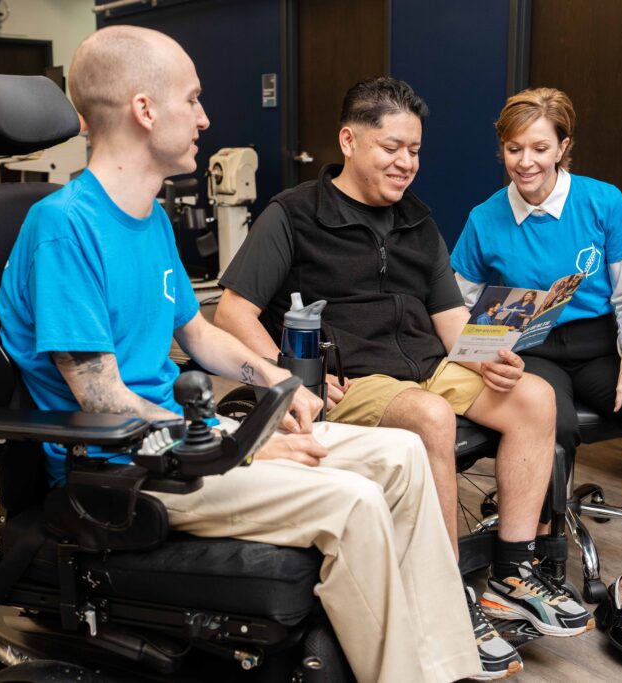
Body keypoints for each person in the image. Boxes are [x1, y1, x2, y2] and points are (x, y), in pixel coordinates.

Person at [0, 26, 493, 683]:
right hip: (122, 472)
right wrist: (242, 444)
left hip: (180, 443)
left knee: (401, 455)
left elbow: (198, 334)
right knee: (354, 503)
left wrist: (281, 384)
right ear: (145, 110)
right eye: (193, 99)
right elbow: (103, 399)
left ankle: (448, 665)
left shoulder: (145, 220)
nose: (205, 117)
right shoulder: (64, 226)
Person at [215, 76, 594, 670]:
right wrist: (290, 373)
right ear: (349, 140)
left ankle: (512, 571)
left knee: (535, 396)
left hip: (428, 367)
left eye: (415, 150)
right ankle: (447, 597)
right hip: (352, 379)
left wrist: (492, 354)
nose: (406, 163)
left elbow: (450, 319)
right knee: (430, 414)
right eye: (392, 147)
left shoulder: (417, 220)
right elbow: (232, 310)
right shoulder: (293, 215)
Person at [450, 87, 622, 664]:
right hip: (532, 349)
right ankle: (536, 570)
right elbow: (457, 307)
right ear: (501, 150)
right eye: (512, 148)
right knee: (547, 415)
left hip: (601, 346)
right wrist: (483, 352)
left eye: (538, 147)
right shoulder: (484, 219)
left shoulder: (603, 203)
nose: (525, 161)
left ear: (563, 147)